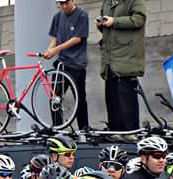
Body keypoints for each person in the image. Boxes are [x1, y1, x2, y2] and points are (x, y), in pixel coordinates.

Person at [97, 0, 146, 131]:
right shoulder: (107, 2)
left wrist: (115, 21)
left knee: (126, 99)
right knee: (112, 99)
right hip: (110, 60)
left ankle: (131, 132)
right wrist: (101, 24)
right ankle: (115, 131)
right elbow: (106, 28)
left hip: (126, 58)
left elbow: (139, 19)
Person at [43, 0, 89, 129]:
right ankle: (58, 129)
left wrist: (56, 49)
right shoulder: (57, 16)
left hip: (77, 64)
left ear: (73, 1)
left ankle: (84, 129)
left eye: (66, 3)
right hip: (61, 64)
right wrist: (49, 50)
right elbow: (55, 38)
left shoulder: (82, 15)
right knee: (54, 98)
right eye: (60, 3)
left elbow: (77, 38)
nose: (63, 6)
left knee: (79, 99)